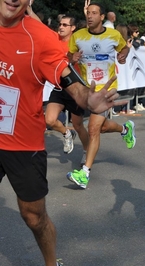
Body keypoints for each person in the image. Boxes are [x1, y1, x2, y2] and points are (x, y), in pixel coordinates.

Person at [0, 0, 122, 265]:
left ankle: (51, 262)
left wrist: (87, 99)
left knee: (33, 217)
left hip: (21, 143)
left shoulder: (40, 37)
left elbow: (67, 79)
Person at [66, 3, 136, 189]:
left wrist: (123, 55)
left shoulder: (113, 35)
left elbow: (124, 48)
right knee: (87, 125)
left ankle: (84, 173)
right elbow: (68, 55)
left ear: (102, 16)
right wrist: (71, 59)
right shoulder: (78, 36)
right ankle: (124, 129)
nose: (90, 16)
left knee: (94, 129)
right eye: (88, 13)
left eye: (94, 13)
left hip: (106, 90)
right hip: (84, 90)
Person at [45, 15, 89, 164]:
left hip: (75, 89)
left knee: (78, 125)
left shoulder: (76, 42)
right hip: (59, 87)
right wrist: (29, 9)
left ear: (73, 28)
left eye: (65, 25)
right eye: (60, 24)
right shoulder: (55, 39)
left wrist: (87, 16)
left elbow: (93, 36)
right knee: (49, 120)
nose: (61, 27)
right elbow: (40, 27)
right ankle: (66, 132)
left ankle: (87, 152)